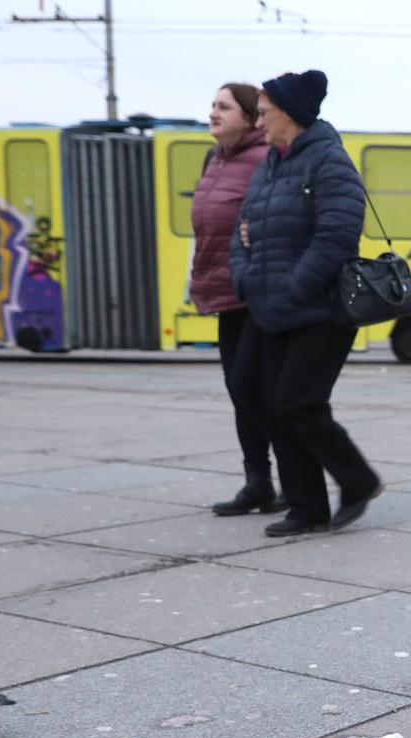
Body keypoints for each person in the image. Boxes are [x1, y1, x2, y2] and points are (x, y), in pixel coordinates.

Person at [232, 69, 382, 537]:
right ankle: (307, 507)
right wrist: (245, 277)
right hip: (271, 306)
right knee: (266, 400)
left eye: (264, 114)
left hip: (320, 309)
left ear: (290, 114)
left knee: (298, 403)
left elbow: (338, 234)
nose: (259, 122)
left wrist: (295, 286)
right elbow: (243, 229)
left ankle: (358, 480)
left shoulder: (328, 161)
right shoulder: (272, 164)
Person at [191, 82, 275, 516]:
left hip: (255, 292)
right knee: (241, 393)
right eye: (212, 105)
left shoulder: (265, 159)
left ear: (249, 116)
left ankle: (293, 481)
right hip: (225, 292)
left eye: (224, 107)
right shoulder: (215, 159)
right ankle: (257, 483)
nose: (213, 113)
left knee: (254, 388)